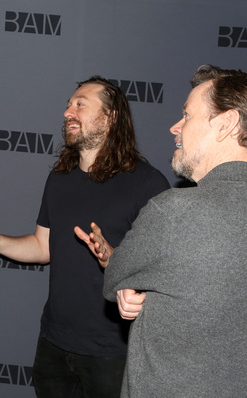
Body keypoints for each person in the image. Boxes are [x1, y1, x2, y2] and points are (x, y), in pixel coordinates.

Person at [0, 77, 170, 397]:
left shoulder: (148, 184)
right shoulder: (60, 178)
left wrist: (115, 257)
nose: (69, 111)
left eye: (81, 104)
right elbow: (43, 247)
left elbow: (165, 271)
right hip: (54, 345)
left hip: (113, 353)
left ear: (110, 118)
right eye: (68, 104)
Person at [99, 65, 247, 397]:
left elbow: (115, 278)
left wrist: (129, 284)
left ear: (225, 124)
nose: (174, 127)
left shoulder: (174, 211)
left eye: (187, 116)